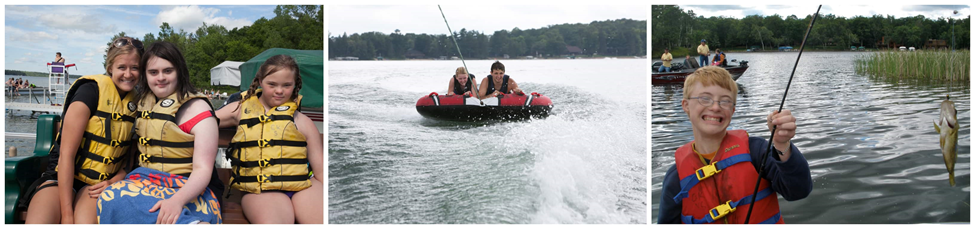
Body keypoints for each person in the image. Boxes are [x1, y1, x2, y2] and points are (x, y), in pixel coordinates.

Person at [657, 66, 812, 224]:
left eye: (725, 101)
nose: (716, 107)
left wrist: (782, 143)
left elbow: (798, 191)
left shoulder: (756, 151)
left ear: (732, 110)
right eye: (705, 98)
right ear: (686, 106)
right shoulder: (675, 177)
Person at [20, 36, 142, 224]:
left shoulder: (139, 104)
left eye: (134, 67)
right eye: (121, 67)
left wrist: (113, 181)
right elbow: (66, 155)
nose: (128, 74)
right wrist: (67, 214)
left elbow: (128, 161)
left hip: (97, 184)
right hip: (60, 179)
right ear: (110, 68)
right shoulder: (89, 91)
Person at [97, 41, 222, 224]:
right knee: (110, 196)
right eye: (153, 72)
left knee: (120, 199)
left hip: (189, 189)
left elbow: (203, 169)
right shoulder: (143, 103)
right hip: (145, 184)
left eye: (168, 71)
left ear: (179, 71)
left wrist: (176, 201)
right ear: (145, 75)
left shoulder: (198, 108)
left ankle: (192, 223)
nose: (160, 78)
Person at [215, 54, 324, 223]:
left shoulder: (303, 122)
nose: (279, 91)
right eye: (271, 84)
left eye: (286, 85)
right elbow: (203, 121)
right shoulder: (239, 109)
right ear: (259, 82)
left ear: (295, 86)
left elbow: (321, 170)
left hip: (304, 186)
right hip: (261, 191)